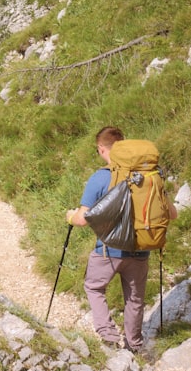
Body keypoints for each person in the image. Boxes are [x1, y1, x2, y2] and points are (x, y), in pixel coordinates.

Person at [64, 126, 177, 352]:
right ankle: (134, 345)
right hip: (141, 250)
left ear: (101, 148)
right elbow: (172, 214)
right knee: (134, 300)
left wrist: (70, 216)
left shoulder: (100, 178)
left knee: (95, 288)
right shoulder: (148, 178)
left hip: (108, 250)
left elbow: (83, 218)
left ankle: (109, 336)